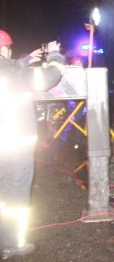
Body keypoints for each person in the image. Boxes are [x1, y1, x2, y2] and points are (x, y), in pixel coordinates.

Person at [0, 30, 64, 259]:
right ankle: (11, 244)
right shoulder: (15, 73)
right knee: (15, 196)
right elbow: (51, 77)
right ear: (5, 49)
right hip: (14, 147)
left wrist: (23, 62)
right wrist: (55, 54)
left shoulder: (13, 70)